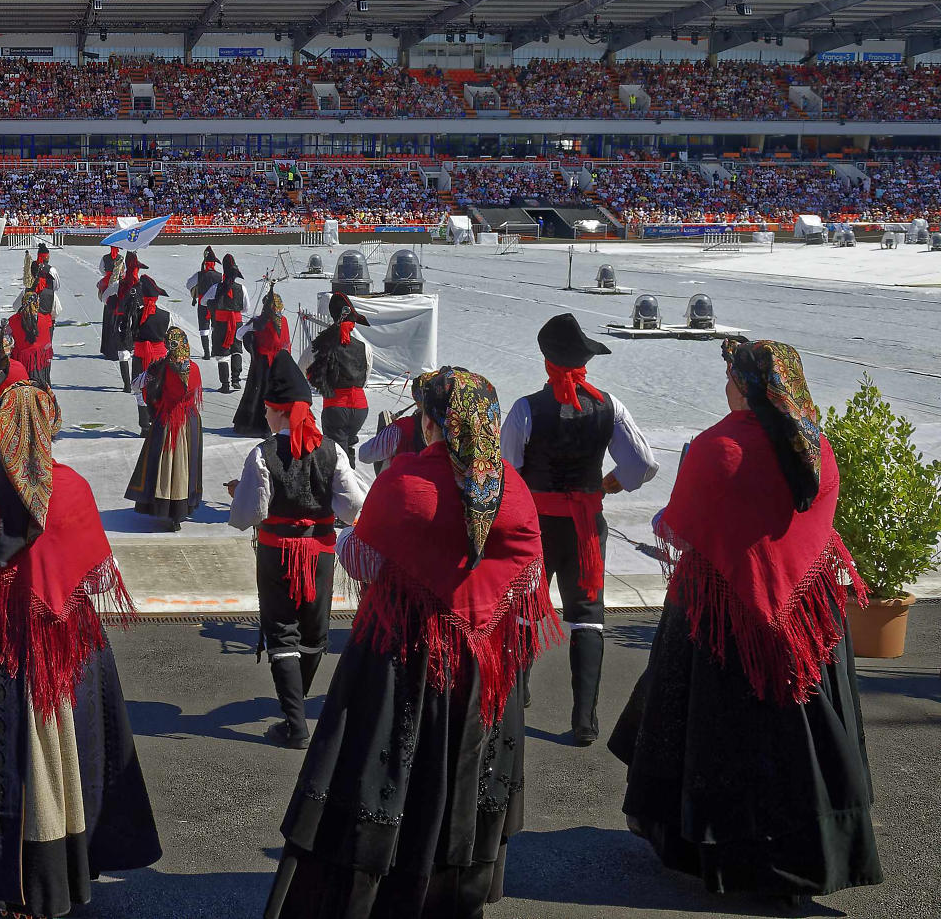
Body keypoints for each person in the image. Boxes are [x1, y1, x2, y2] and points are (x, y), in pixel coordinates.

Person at [264, 368, 560, 918]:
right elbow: (528, 577)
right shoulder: (514, 491)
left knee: (388, 772)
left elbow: (361, 559)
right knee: (463, 778)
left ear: (432, 422)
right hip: (483, 668)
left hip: (402, 658)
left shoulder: (405, 481)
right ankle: (451, 894)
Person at [610, 339, 882, 904]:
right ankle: (809, 851)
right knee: (804, 729)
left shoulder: (718, 447)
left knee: (713, 730)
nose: (727, 387)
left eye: (732, 378)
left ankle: (721, 851)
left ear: (746, 386)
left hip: (720, 613)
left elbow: (683, 525)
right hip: (806, 612)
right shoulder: (816, 445)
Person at [0, 382, 162, 916]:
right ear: (50, 425)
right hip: (66, 641)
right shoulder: (72, 487)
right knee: (74, 752)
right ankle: (66, 868)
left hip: (0, 643)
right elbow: (91, 574)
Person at [499, 312, 658, 745]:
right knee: (587, 616)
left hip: (536, 526)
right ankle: (585, 720)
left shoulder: (526, 409)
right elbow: (644, 465)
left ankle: (518, 694)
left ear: (547, 362)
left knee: (525, 608)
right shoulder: (610, 406)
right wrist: (611, 482)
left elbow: (508, 473)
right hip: (586, 527)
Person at [226, 352, 367, 748]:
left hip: (277, 553)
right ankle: (295, 708)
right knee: (314, 633)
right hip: (319, 553)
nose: (265, 416)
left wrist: (240, 493)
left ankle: (295, 721)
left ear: (281, 412)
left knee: (281, 632)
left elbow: (246, 515)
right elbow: (353, 508)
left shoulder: (263, 453)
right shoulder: (333, 451)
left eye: (269, 410)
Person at [126, 326, 203, 531]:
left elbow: (136, 385)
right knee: (186, 463)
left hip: (168, 420)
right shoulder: (194, 368)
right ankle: (181, 508)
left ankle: (165, 503)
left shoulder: (160, 367)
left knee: (167, 461)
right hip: (190, 420)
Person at [301, 293, 372, 466]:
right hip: (361, 408)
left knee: (336, 456)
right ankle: (351, 474)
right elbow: (365, 378)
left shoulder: (320, 345)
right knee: (348, 446)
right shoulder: (365, 347)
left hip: (335, 407)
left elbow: (301, 368)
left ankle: (345, 480)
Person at [233, 287, 290, 437]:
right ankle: (274, 425)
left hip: (262, 363)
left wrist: (252, 338)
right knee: (274, 394)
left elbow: (239, 334)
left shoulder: (259, 321)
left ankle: (255, 425)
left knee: (257, 392)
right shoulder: (284, 321)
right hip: (280, 363)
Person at [126, 275, 172, 436]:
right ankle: (158, 423)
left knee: (140, 390)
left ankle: (145, 426)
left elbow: (130, 333)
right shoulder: (166, 315)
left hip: (140, 357)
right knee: (159, 389)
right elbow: (169, 336)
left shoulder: (136, 314)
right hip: (159, 358)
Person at [203, 254, 250, 393]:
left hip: (220, 323)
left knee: (222, 354)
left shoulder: (216, 287)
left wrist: (215, 305)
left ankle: (225, 384)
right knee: (237, 350)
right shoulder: (242, 288)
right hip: (237, 323)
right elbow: (246, 308)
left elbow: (203, 301)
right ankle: (236, 379)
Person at [98, 250, 140, 380]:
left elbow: (104, 297)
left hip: (115, 309)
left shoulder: (116, 283)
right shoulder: (135, 283)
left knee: (113, 328)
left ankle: (112, 351)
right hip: (128, 312)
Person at [8, 288, 55, 389]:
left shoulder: (13, 320)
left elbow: (5, 338)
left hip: (21, 365)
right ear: (37, 304)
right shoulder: (44, 320)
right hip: (40, 364)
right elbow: (46, 344)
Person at [186, 245, 224, 359]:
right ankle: (214, 351)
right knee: (215, 327)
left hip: (202, 304)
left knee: (204, 327)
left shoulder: (199, 274)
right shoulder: (220, 276)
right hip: (217, 305)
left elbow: (189, 284)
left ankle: (206, 353)